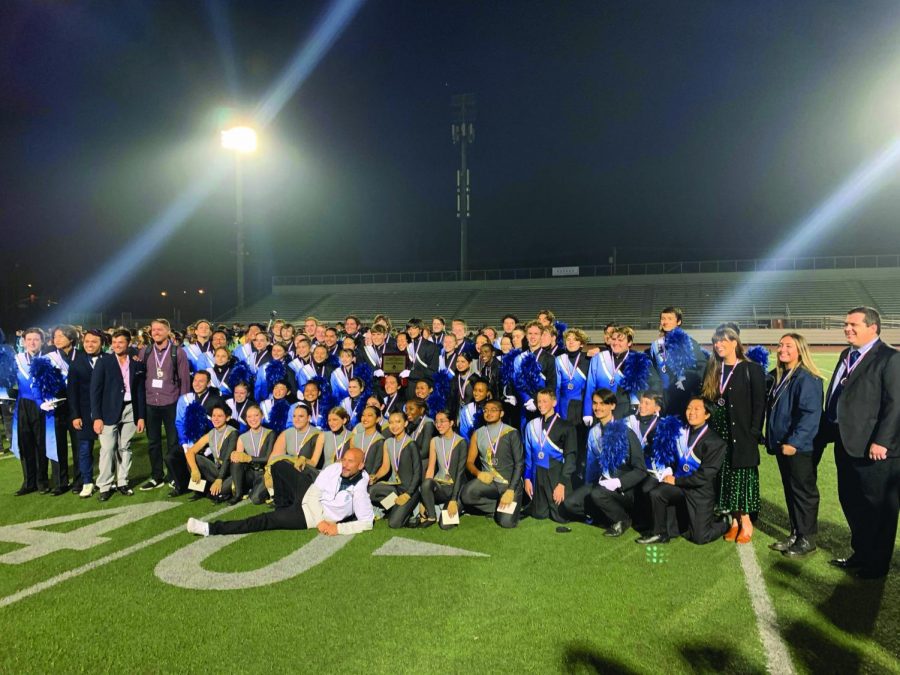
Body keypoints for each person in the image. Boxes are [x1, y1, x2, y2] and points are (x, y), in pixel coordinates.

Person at [817, 307, 900, 579]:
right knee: (851, 501)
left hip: (876, 450)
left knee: (878, 509)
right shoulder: (847, 354)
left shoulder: (889, 358)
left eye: (853, 324)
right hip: (847, 443)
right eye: (845, 324)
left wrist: (882, 442)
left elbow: (895, 405)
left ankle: (876, 566)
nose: (847, 329)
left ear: (873, 327)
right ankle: (861, 553)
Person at [188, 447, 374, 536]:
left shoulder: (360, 489)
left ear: (361, 465)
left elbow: (366, 522)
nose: (345, 465)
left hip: (307, 515)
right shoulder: (335, 467)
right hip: (310, 500)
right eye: (345, 459)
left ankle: (209, 528)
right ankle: (282, 504)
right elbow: (313, 493)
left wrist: (337, 528)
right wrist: (321, 522)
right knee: (279, 466)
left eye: (351, 462)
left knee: (265, 520)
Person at [701, 326, 766, 543]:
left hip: (741, 434)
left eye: (723, 341)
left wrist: (754, 432)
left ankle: (745, 522)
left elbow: (759, 405)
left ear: (735, 343)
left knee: (741, 479)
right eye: (716, 342)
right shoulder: (713, 368)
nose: (718, 345)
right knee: (725, 479)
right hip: (718, 433)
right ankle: (735, 522)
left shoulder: (751, 369)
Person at [636, 398, 730, 545]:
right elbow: (667, 455)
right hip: (678, 485)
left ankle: (723, 522)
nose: (691, 412)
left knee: (699, 538)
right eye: (689, 408)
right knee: (655, 492)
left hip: (699, 492)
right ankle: (659, 534)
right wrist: (667, 470)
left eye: (696, 409)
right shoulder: (679, 431)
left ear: (707, 415)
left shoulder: (716, 442)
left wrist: (676, 481)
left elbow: (704, 477)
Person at [764, 333, 823, 558]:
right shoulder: (781, 375)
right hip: (783, 445)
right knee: (791, 490)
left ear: (800, 350)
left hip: (798, 447)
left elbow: (810, 415)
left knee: (803, 492)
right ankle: (796, 532)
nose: (782, 349)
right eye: (780, 345)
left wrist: (795, 443)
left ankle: (807, 538)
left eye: (788, 346)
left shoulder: (806, 378)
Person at [564, 388, 646, 536]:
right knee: (570, 504)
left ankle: (623, 519)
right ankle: (603, 515)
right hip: (600, 486)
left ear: (613, 406)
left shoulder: (625, 431)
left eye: (603, 404)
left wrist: (619, 482)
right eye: (595, 403)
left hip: (623, 489)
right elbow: (591, 466)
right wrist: (586, 491)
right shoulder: (594, 431)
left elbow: (640, 470)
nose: (597, 408)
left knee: (597, 495)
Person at [91, 329, 147, 502]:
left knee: (125, 447)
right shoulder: (104, 362)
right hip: (108, 411)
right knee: (107, 449)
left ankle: (122, 481)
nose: (116, 346)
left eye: (120, 342)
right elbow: (95, 391)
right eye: (114, 343)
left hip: (131, 409)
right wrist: (97, 417)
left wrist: (141, 416)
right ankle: (105, 485)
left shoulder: (136, 363)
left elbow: (140, 391)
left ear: (128, 343)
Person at [141, 318, 191, 491]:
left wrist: (184, 405)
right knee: (153, 442)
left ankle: (173, 475)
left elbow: (185, 380)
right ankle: (156, 476)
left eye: (160, 329)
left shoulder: (178, 352)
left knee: (173, 442)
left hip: (172, 402)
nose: (156, 332)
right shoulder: (145, 351)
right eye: (153, 329)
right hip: (150, 402)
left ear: (168, 331)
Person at [460, 399, 524, 528]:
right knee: (467, 494)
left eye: (493, 410)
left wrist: (511, 490)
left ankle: (512, 506)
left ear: (501, 413)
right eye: (486, 410)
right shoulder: (477, 433)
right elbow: (469, 462)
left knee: (505, 523)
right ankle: (497, 507)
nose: (489, 413)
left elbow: (519, 464)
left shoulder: (511, 432)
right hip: (490, 483)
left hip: (509, 484)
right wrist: (478, 473)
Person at [523, 388, 577, 523]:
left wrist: (562, 484)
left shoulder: (567, 426)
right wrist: (527, 478)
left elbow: (571, 458)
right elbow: (528, 455)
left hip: (556, 475)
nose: (540, 405)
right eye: (538, 401)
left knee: (560, 518)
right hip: (538, 475)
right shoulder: (531, 426)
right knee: (539, 514)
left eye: (545, 401)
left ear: (554, 402)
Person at [647, 307, 708, 415]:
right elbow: (653, 370)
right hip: (662, 397)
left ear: (679, 321)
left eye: (670, 318)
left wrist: (688, 385)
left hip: (683, 396)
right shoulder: (655, 345)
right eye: (663, 318)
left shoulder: (689, 343)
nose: (665, 322)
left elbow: (701, 367)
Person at [11, 328, 50, 495]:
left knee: (41, 444)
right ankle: (28, 482)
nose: (32, 342)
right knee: (25, 444)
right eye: (29, 339)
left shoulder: (48, 360)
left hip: (42, 406)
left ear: (42, 342)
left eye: (36, 339)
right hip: (23, 405)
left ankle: (42, 481)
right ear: (24, 341)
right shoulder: (16, 360)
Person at [583, 325, 650, 422]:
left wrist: (637, 410)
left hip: (625, 410)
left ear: (629, 342)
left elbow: (641, 389)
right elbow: (590, 386)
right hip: (600, 409)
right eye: (613, 339)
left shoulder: (637, 360)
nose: (616, 343)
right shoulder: (598, 358)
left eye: (620, 340)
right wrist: (587, 412)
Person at [368, 412, 422, 529]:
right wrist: (375, 477)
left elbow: (418, 473)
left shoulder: (411, 443)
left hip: (409, 491)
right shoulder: (388, 442)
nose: (394, 425)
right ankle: (394, 507)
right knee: (371, 491)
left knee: (394, 523)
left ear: (405, 423)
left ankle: (411, 511)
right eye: (391, 422)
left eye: (398, 422)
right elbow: (385, 467)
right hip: (395, 487)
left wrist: (408, 494)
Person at [67, 329, 104, 497]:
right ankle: (87, 481)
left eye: (94, 341)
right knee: (84, 449)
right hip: (83, 412)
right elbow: (72, 391)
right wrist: (75, 415)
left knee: (110, 448)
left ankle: (110, 480)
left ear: (101, 343)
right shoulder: (76, 362)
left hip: (106, 412)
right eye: (87, 341)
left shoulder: (110, 359)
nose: (90, 344)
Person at [417, 409, 468, 528]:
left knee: (445, 525)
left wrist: (454, 500)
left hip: (456, 488)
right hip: (440, 486)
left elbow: (460, 473)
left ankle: (460, 506)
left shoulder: (461, 442)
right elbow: (430, 468)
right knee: (426, 483)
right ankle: (432, 516)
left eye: (442, 421)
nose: (438, 425)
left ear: (451, 423)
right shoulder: (434, 441)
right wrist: (424, 497)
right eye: (436, 422)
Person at [183, 402, 236, 502]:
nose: (215, 419)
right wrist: (195, 470)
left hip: (230, 472)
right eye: (214, 415)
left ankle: (223, 491)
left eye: (220, 416)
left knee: (219, 493)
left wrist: (219, 479)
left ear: (228, 418)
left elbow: (227, 459)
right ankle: (200, 491)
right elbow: (190, 452)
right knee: (194, 458)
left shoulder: (233, 433)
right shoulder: (211, 433)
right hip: (217, 469)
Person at [229, 404, 275, 504]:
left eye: (256, 415)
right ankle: (238, 494)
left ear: (262, 416)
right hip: (250, 473)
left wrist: (249, 458)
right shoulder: (242, 437)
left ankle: (262, 489)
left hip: (264, 473)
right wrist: (235, 455)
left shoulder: (270, 433)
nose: (253, 419)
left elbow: (268, 459)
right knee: (223, 489)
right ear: (246, 419)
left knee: (256, 499)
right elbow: (239, 462)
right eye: (249, 416)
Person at [403, 318, 440, 399]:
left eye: (414, 328)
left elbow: (433, 372)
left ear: (420, 330)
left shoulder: (431, 346)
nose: (411, 331)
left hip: (424, 389)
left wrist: (411, 373)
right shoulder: (408, 347)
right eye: (409, 329)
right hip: (409, 389)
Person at [353, 405, 388, 477]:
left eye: (369, 415)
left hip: (369, 479)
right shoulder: (354, 438)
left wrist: (371, 478)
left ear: (378, 419)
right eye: (363, 415)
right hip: (353, 476)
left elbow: (378, 464)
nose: (365, 418)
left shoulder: (380, 440)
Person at [404, 397, 435, 461]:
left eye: (411, 409)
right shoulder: (411, 424)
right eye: (406, 410)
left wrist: (405, 457)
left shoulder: (428, 424)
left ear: (421, 410)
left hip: (423, 464)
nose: (407, 412)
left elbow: (424, 453)